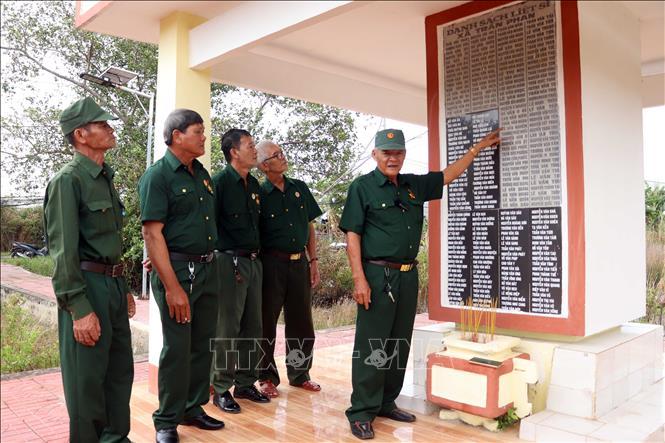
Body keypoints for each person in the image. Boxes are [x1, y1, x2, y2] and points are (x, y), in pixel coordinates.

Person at [339, 128, 500, 440]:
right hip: (377, 275)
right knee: (373, 343)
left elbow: (447, 175)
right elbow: (352, 235)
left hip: (407, 275)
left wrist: (477, 149)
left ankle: (386, 402)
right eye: (386, 153)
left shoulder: (412, 185)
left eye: (398, 152)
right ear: (375, 154)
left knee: (398, 341)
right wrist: (359, 278)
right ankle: (361, 411)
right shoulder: (362, 187)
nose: (393, 158)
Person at [44, 97, 135, 442]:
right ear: (81, 134)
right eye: (103, 124)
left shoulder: (104, 178)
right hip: (88, 287)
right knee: (87, 382)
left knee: (119, 373)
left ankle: (117, 438)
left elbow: (110, 242)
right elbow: (63, 251)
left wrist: (124, 287)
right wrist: (78, 307)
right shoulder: (68, 181)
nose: (111, 129)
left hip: (113, 286)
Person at [139, 109, 223, 443]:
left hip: (207, 268)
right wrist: (171, 286)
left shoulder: (201, 174)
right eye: (198, 131)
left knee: (202, 344)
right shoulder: (158, 176)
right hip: (179, 274)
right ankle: (166, 420)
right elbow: (152, 233)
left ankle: (192, 407)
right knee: (177, 348)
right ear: (177, 135)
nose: (204, 137)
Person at [255, 140, 323, 398]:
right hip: (271, 264)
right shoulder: (259, 193)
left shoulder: (299, 188)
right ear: (264, 165)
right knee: (266, 323)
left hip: (299, 264)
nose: (283, 157)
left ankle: (300, 374)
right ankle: (266, 377)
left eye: (281, 152)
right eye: (276, 155)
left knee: (302, 322)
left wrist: (313, 261)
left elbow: (310, 227)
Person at [210, 128, 270, 414]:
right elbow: (208, 225)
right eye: (250, 145)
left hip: (254, 262)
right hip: (228, 262)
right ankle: (221, 387)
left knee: (253, 326)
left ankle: (245, 383)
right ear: (234, 152)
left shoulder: (254, 185)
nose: (255, 149)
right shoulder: (219, 183)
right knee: (227, 327)